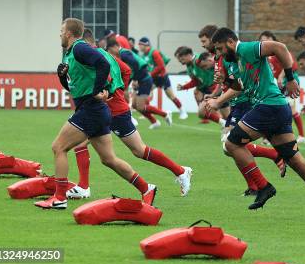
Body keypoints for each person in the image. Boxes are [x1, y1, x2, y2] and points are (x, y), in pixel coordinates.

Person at [208, 27, 305, 215]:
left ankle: (264, 187)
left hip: (269, 106)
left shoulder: (247, 49)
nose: (218, 53)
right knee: (295, 161)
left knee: (231, 144)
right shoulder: (236, 60)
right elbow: (240, 87)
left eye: (219, 48)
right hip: (276, 108)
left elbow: (280, 47)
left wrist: (290, 79)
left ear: (231, 43)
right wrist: (225, 80)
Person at [35, 18, 157, 209]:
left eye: (61, 30)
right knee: (109, 159)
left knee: (58, 147)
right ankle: (146, 188)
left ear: (68, 33)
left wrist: (98, 89)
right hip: (96, 111)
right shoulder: (69, 54)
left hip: (91, 109)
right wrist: (62, 78)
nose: (59, 34)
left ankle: (59, 198)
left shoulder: (79, 48)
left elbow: (103, 63)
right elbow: (74, 88)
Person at [66, 37, 193, 199]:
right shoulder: (95, 57)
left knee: (139, 150)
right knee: (82, 144)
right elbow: (125, 70)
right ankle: (84, 187)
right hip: (101, 111)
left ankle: (180, 171)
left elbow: (125, 70)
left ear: (89, 44)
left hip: (115, 111)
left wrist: (114, 92)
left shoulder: (99, 57)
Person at [259, 31, 305, 144]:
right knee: (271, 108)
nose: (263, 41)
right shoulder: (265, 54)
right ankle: (269, 137)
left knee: (290, 108)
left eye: (265, 38)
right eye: (261, 39)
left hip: (289, 81)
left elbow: (289, 63)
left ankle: (301, 136)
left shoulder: (278, 49)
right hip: (277, 84)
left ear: (272, 38)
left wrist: (281, 77)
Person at [138, 36, 188, 120]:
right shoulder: (143, 55)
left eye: (140, 44)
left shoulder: (154, 52)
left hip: (162, 77)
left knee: (171, 96)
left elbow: (161, 66)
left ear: (145, 45)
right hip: (154, 78)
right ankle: (147, 112)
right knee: (146, 92)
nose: (139, 46)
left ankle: (182, 111)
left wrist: (150, 74)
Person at [174, 47, 226, 126]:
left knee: (225, 114)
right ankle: (225, 124)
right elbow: (196, 81)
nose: (179, 60)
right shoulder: (189, 67)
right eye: (178, 59)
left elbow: (216, 64)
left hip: (217, 88)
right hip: (212, 89)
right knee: (202, 111)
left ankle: (227, 125)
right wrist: (184, 87)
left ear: (188, 55)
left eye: (181, 57)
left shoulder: (199, 60)